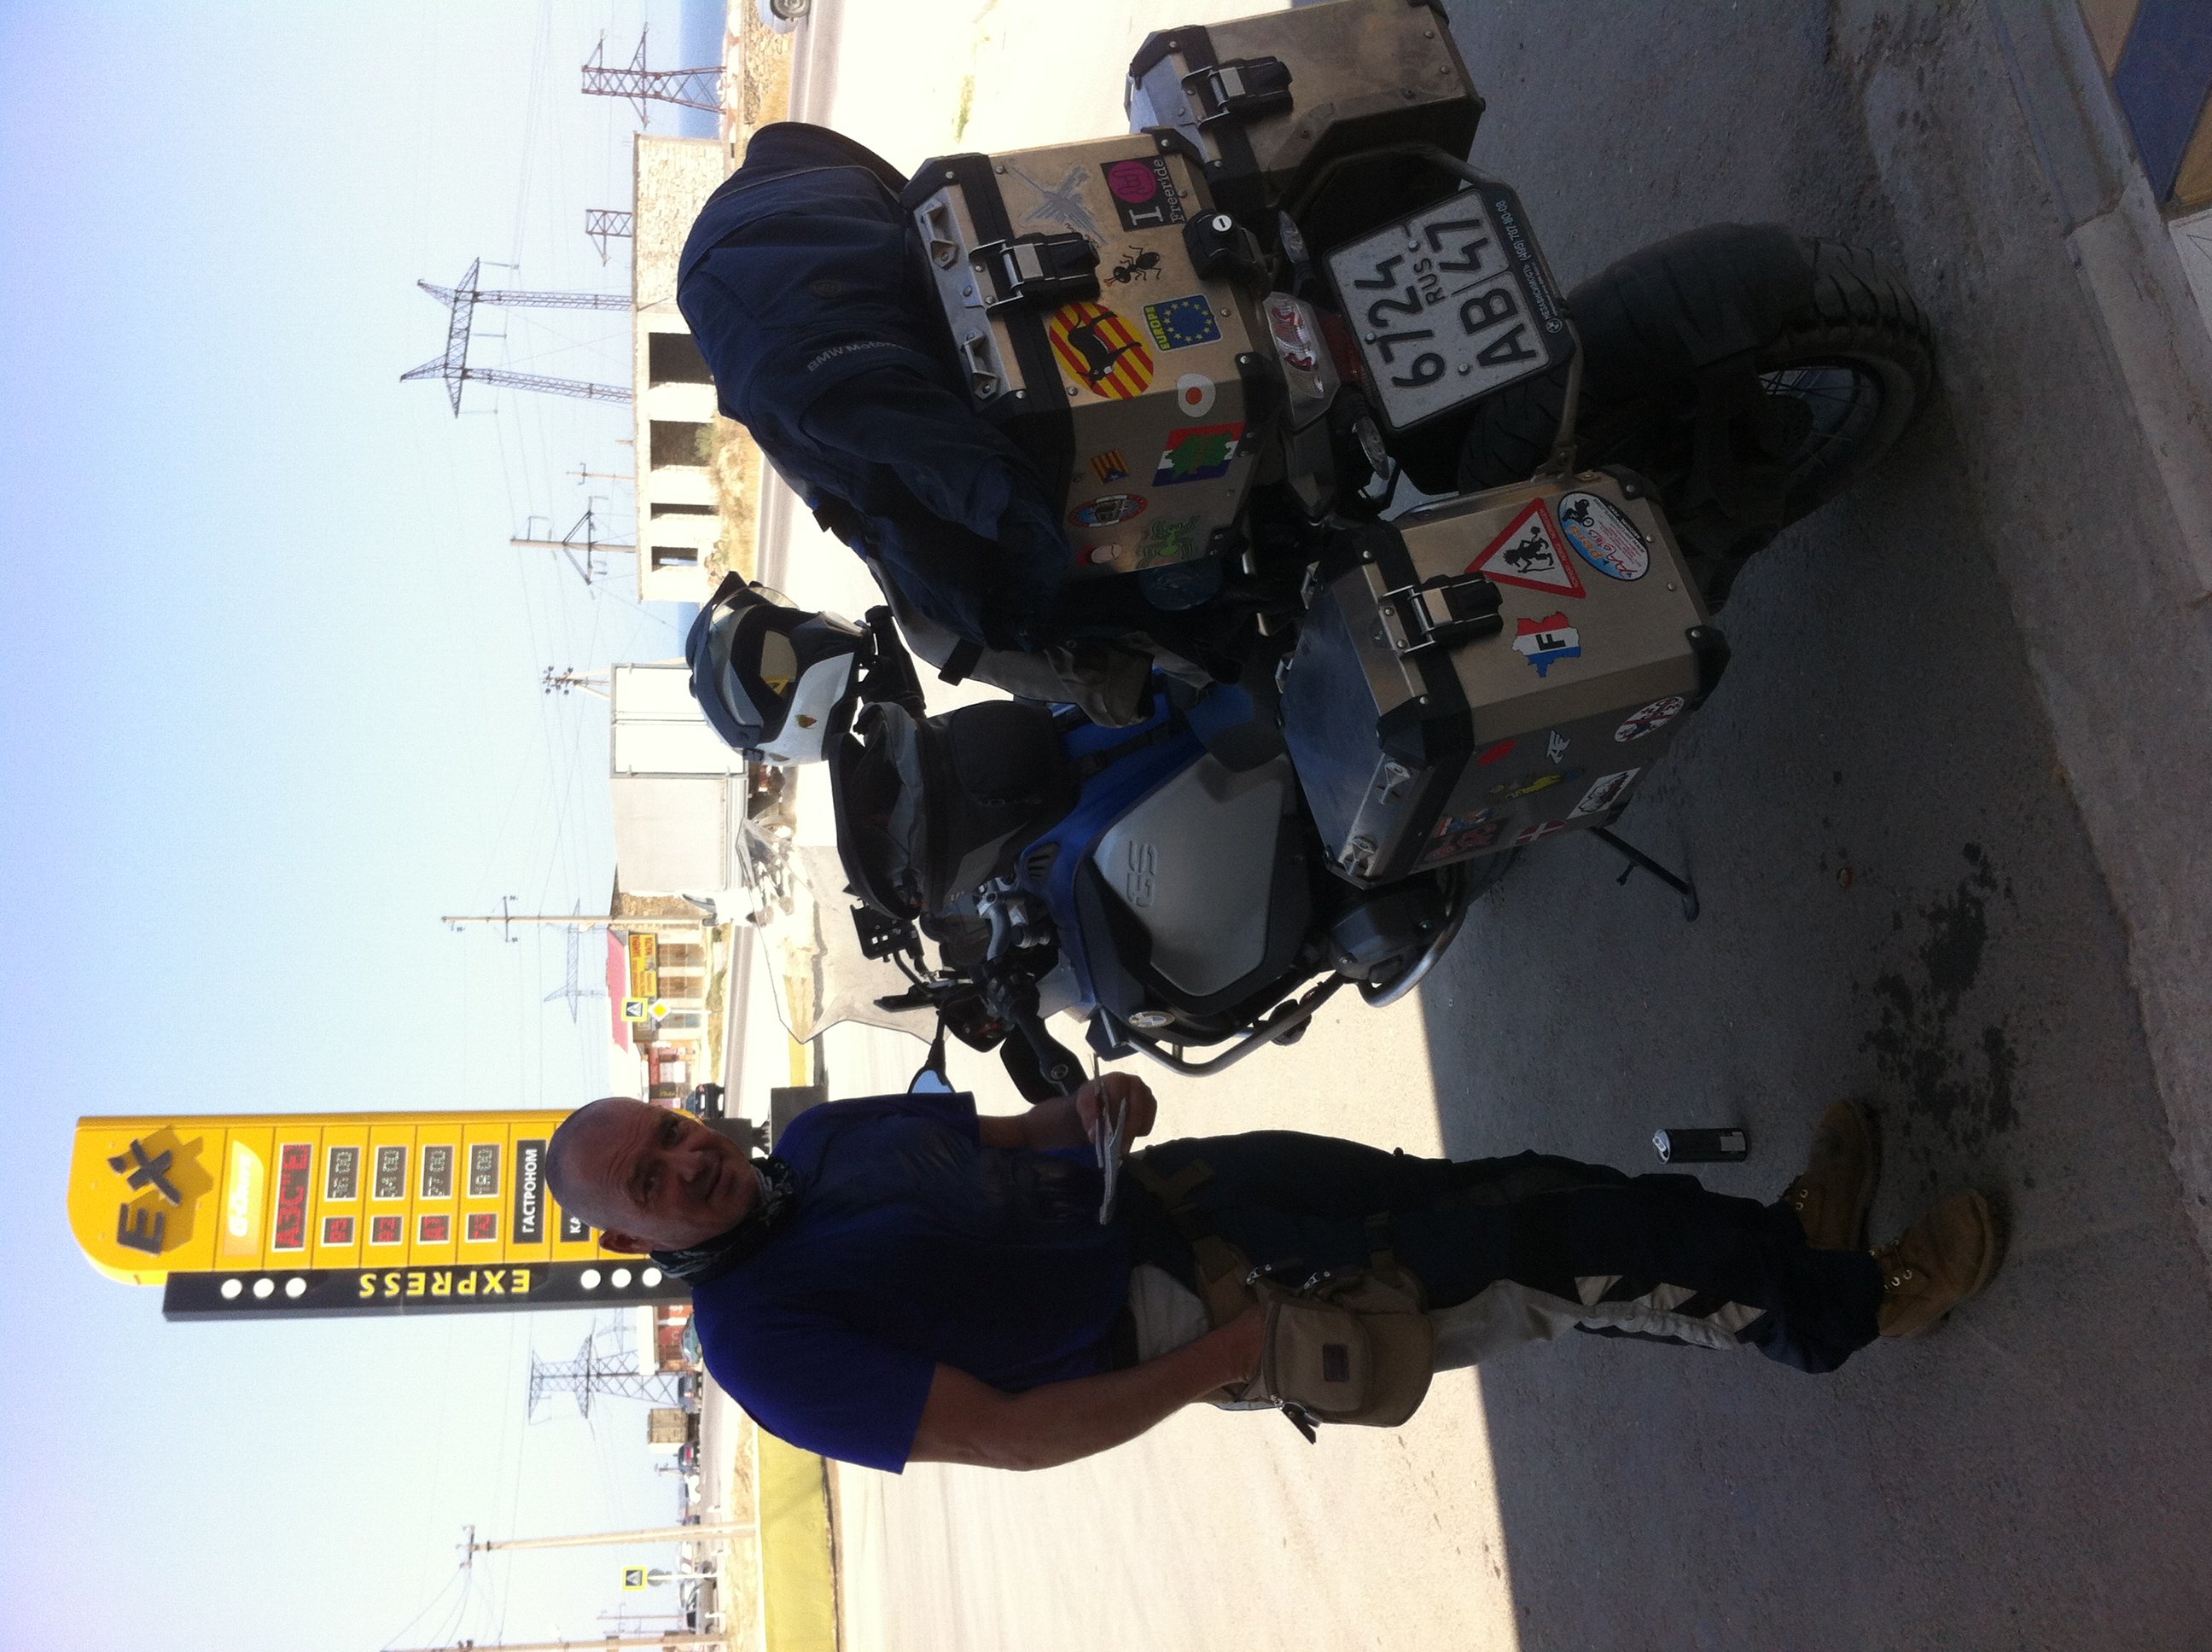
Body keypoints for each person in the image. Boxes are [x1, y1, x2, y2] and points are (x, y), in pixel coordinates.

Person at [541, 1079, 1998, 1474]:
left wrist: (1087, 1110)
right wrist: (1218, 1360)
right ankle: (1848, 1306)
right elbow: (1010, 1433)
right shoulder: (759, 1340)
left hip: (1194, 1189)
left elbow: (1007, 1143)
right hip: (1211, 1307)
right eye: (649, 1185)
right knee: (1552, 1258)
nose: (685, 1165)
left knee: (1511, 1192)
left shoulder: (813, 1141)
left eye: (669, 1134)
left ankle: (1788, 1248)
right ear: (630, 1239)